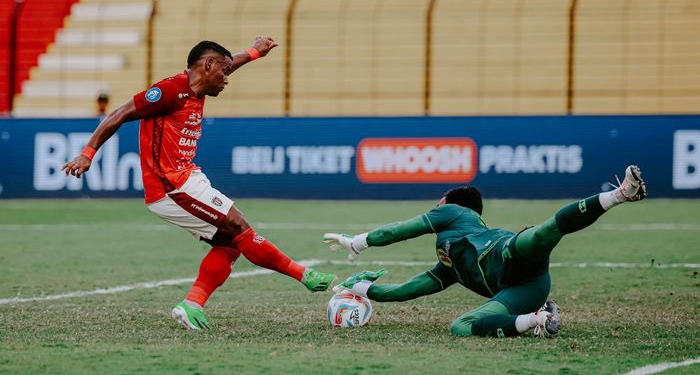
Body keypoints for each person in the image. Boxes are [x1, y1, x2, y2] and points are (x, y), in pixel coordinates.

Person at [63, 37, 336, 330]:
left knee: (231, 245)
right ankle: (304, 275)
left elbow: (232, 63)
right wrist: (87, 154)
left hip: (187, 179)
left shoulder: (198, 90)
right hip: (171, 187)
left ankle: (191, 305)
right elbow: (118, 114)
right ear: (207, 65)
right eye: (224, 71)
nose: (227, 79)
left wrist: (255, 52)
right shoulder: (169, 90)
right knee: (240, 227)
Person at [324, 165, 647, 338]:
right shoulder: (448, 266)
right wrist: (359, 288)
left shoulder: (454, 213)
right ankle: (538, 318)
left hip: (508, 252)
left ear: (451, 205)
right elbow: (405, 291)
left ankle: (621, 194)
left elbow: (400, 230)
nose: (435, 205)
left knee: (544, 232)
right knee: (460, 327)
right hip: (526, 289)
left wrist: (358, 242)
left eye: (440, 199)